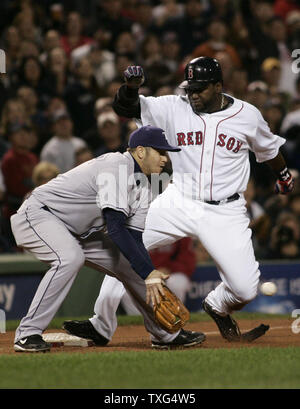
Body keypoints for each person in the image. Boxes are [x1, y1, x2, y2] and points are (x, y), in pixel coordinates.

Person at [64, 56, 294, 344]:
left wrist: (283, 174)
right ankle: (101, 325)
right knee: (124, 249)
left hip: (226, 211)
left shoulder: (248, 115)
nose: (193, 94)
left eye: (200, 88)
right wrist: (130, 88)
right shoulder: (174, 106)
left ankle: (217, 305)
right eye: (190, 88)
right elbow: (126, 107)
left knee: (245, 289)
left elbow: (269, 149)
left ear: (219, 86)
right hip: (179, 199)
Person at [11, 125, 205, 352]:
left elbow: (133, 237)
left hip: (76, 230)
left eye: (166, 153)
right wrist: (148, 272)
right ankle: (28, 333)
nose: (165, 159)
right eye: (160, 152)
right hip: (38, 214)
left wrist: (148, 273)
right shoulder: (116, 166)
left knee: (132, 267)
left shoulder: (146, 185)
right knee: (70, 258)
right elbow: (115, 228)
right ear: (140, 151)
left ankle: (165, 335)